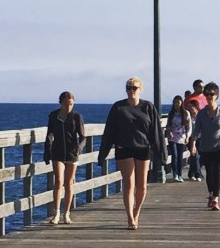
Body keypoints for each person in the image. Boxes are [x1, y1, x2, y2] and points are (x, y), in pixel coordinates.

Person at [97, 77, 164, 230]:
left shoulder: (148, 107)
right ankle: (130, 218)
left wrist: (161, 152)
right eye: (129, 88)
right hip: (124, 148)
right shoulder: (118, 108)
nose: (131, 91)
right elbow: (109, 132)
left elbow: (156, 131)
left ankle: (137, 212)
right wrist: (102, 155)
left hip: (143, 148)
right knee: (129, 183)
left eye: (134, 88)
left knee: (142, 186)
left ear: (140, 89)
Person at [189, 82, 220, 211]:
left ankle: (216, 199)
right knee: (209, 171)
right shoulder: (201, 114)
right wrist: (192, 144)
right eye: (206, 94)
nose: (209, 97)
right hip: (206, 146)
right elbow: (196, 130)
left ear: (217, 96)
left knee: (217, 170)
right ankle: (210, 194)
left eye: (211, 94)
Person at [43, 91, 85, 223]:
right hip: (57, 152)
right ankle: (56, 213)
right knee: (59, 181)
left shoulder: (76, 117)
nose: (68, 107)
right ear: (60, 103)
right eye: (66, 104)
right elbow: (49, 133)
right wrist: (47, 149)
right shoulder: (54, 116)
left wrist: (78, 149)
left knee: (69, 183)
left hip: (72, 153)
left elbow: (83, 137)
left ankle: (66, 213)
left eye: (71, 104)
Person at [164, 95, 191, 182]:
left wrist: (187, 136)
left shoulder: (186, 113)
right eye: (175, 102)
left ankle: (180, 174)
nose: (176, 104)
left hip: (182, 137)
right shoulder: (171, 113)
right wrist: (169, 131)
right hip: (172, 137)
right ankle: (175, 174)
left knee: (180, 156)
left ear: (181, 103)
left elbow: (189, 126)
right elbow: (168, 125)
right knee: (174, 155)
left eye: (178, 102)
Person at [185, 99, 204, 181]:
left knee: (200, 157)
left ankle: (191, 173)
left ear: (196, 107)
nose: (190, 108)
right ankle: (198, 175)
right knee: (194, 155)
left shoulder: (201, 115)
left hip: (200, 138)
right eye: (189, 106)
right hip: (191, 138)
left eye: (191, 106)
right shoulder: (188, 115)